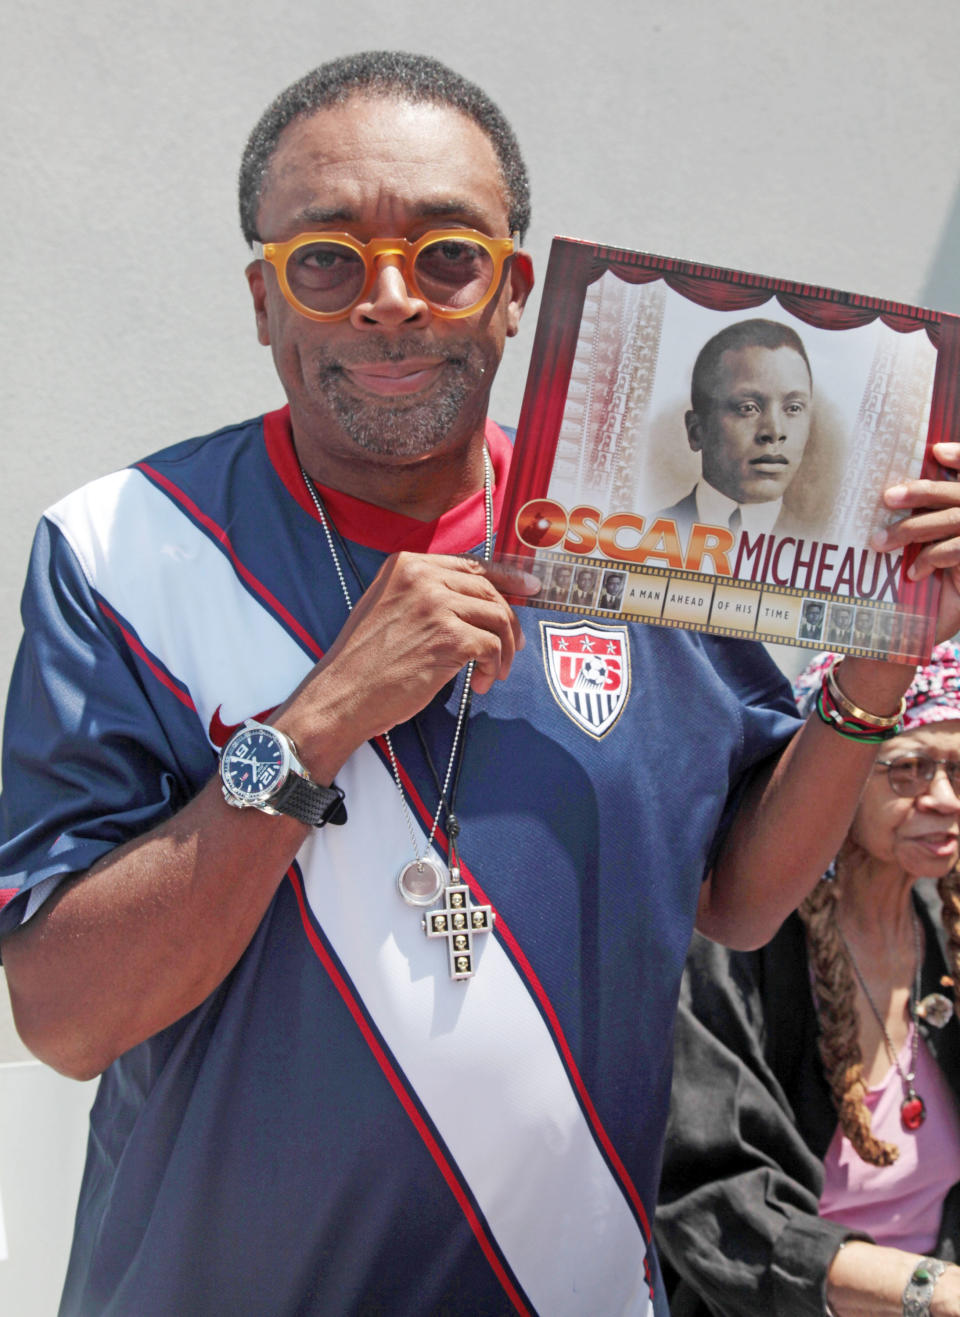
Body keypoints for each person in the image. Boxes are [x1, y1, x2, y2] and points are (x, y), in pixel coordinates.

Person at [1, 48, 960, 1317]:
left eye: (447, 256)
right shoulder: (126, 550)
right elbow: (66, 1020)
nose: (391, 302)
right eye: (327, 258)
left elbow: (736, 899)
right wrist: (316, 722)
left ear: (513, 292)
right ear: (262, 300)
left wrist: (873, 671)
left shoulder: (632, 534)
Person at [656, 646, 960, 1317]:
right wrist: (924, 1291)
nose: (943, 797)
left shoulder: (941, 946)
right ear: (838, 775)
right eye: (908, 768)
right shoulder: (736, 948)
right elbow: (712, 1200)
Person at [657, 318, 815, 543]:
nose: (774, 431)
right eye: (748, 408)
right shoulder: (637, 531)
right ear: (696, 431)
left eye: (793, 408)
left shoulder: (828, 543)